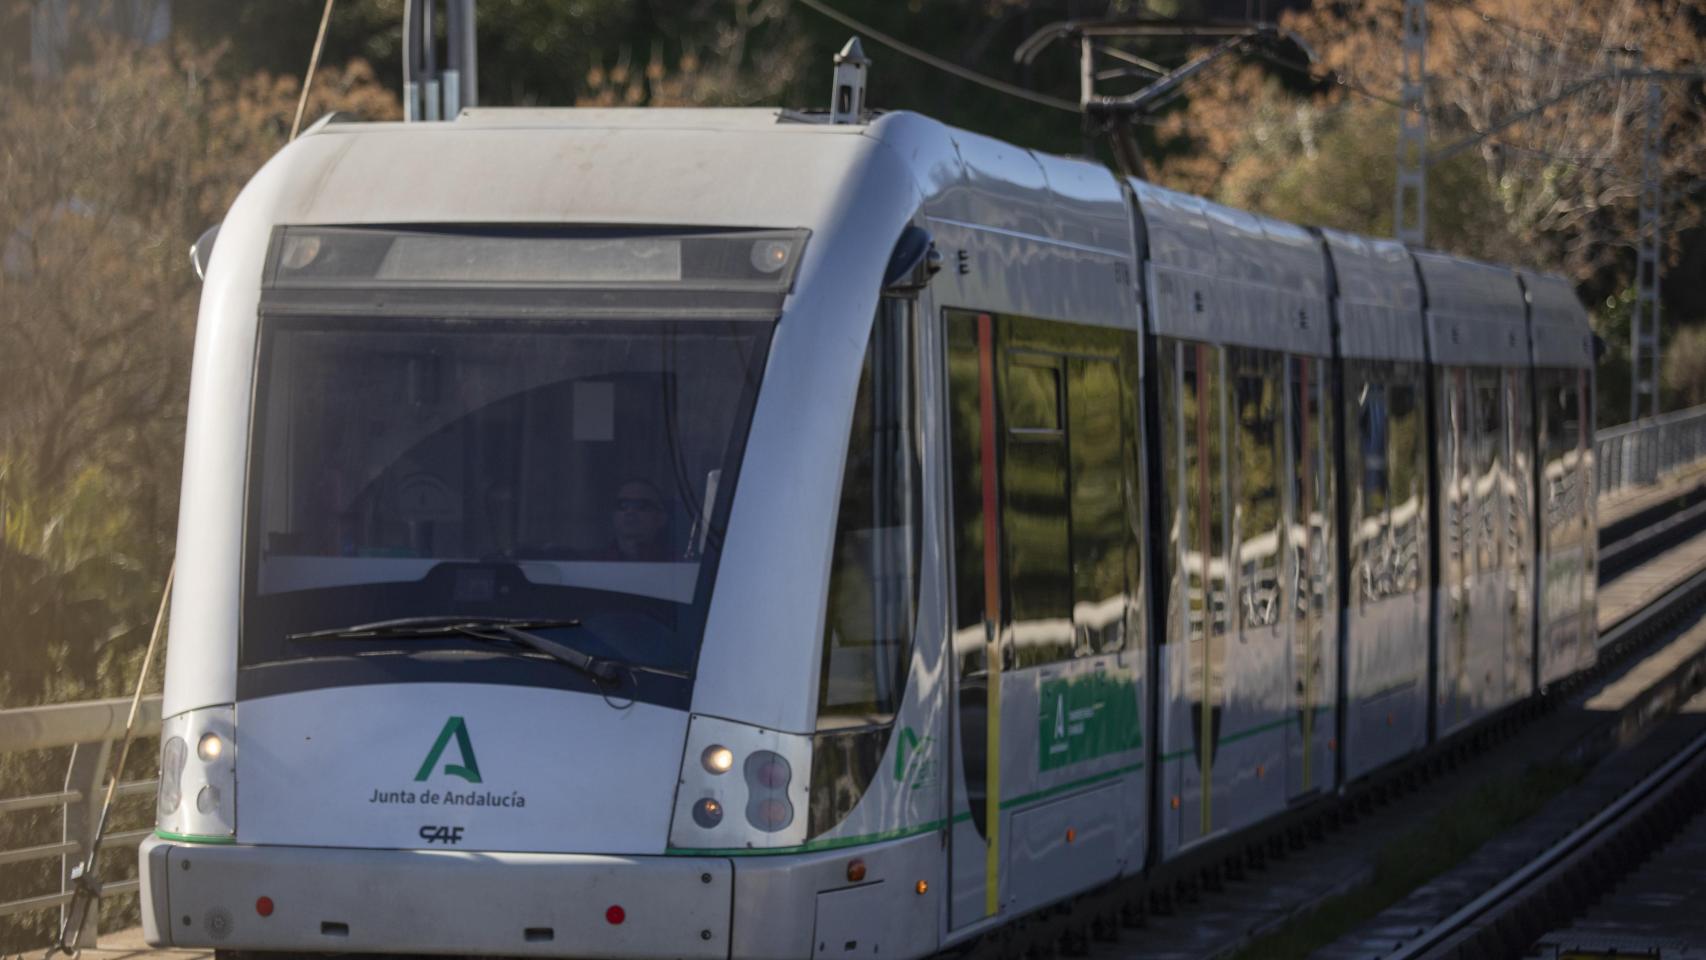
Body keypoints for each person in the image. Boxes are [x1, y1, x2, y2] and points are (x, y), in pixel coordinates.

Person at [601, 478, 674, 561]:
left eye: (641, 505)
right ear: (613, 515)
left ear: (661, 517)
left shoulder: (676, 563)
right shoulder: (592, 563)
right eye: (623, 505)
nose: (630, 511)